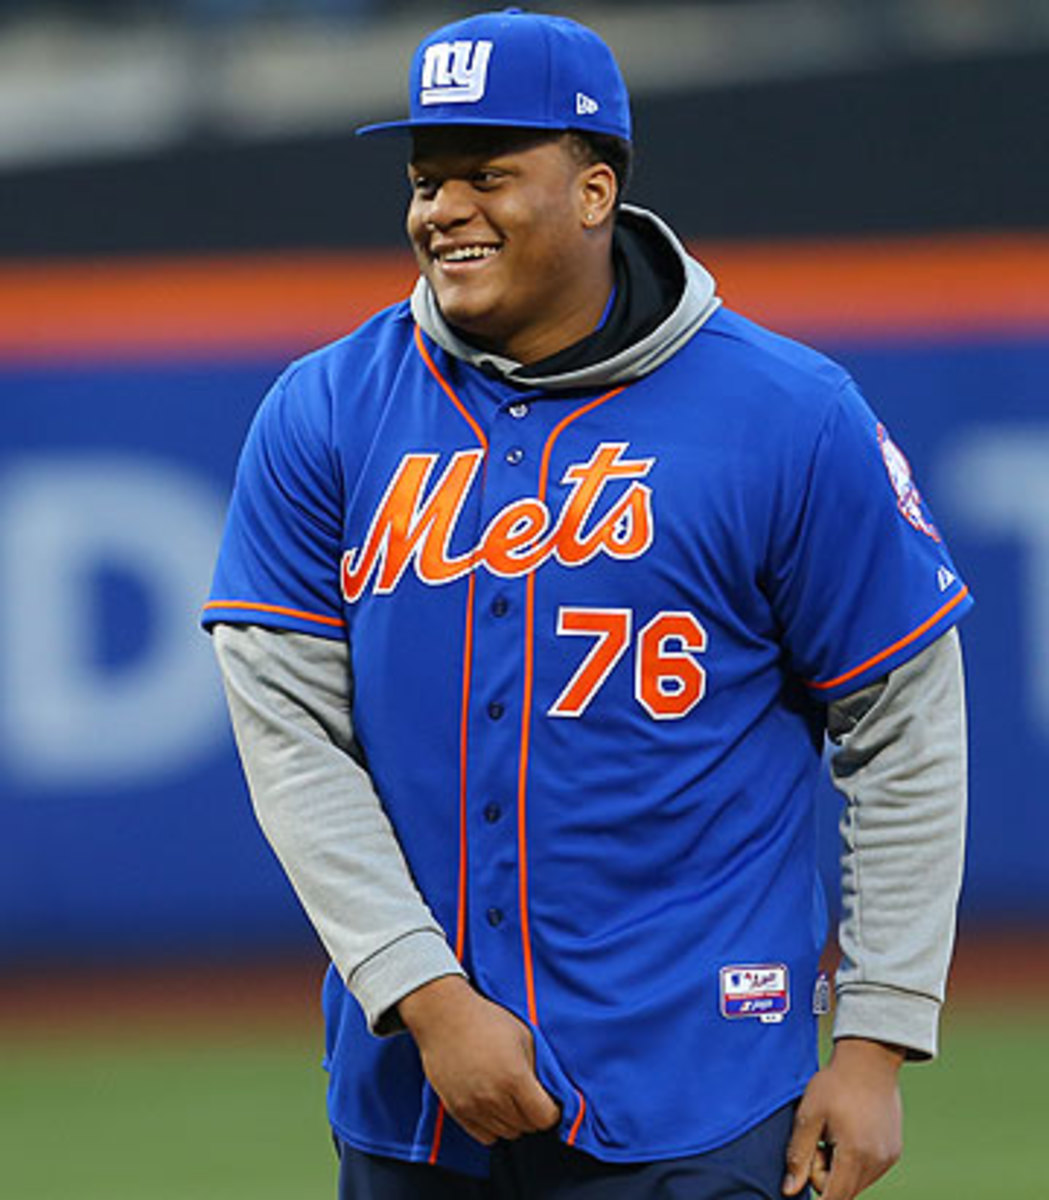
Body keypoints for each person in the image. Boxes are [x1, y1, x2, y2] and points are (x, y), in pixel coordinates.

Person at [203, 9, 971, 1199]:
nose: (440, 211)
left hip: (699, 1086)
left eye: (487, 175)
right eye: (424, 181)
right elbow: (290, 741)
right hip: (411, 1098)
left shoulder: (787, 413)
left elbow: (905, 734)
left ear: (594, 188)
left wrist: (875, 1039)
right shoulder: (325, 411)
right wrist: (425, 994)